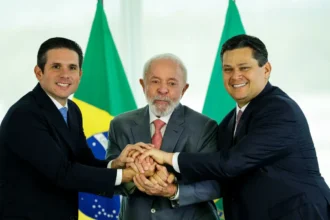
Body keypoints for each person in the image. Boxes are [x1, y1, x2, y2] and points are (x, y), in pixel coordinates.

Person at [139, 35, 330, 220]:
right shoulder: (229, 121)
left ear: (266, 69)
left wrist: (165, 157)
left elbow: (230, 164)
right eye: (228, 69)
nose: (235, 76)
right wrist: (168, 179)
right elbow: (215, 170)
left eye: (244, 68)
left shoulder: (279, 110)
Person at [0, 37, 148, 220]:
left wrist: (115, 164)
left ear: (80, 74)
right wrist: (125, 175)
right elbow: (62, 173)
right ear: (39, 72)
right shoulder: (24, 115)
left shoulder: (72, 110)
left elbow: (82, 161)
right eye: (56, 67)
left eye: (72, 67)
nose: (65, 74)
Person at [106, 53, 221, 220]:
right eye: (155, 81)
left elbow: (214, 185)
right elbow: (108, 182)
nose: (163, 89)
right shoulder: (120, 124)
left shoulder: (205, 127)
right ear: (142, 84)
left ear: (184, 89)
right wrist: (136, 175)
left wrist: (173, 190)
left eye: (172, 83)